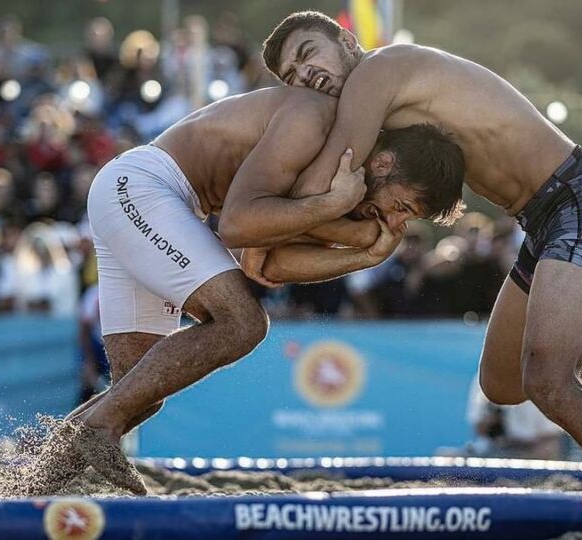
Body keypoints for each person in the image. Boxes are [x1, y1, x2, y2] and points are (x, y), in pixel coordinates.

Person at [262, 11, 582, 496]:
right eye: (291, 78)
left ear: (345, 39)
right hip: (546, 219)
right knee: (503, 382)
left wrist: (254, 215)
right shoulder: (377, 103)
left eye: (307, 55)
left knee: (549, 381)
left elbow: (325, 182)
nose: (304, 77)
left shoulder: (376, 71)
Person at [28, 85, 467, 495]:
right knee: (242, 324)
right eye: (403, 206)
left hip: (141, 195)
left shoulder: (350, 184)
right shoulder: (332, 150)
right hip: (145, 189)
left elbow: (269, 264)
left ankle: (26, 484)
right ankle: (97, 427)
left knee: (138, 395)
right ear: (384, 163)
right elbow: (239, 228)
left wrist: (367, 256)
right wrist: (334, 211)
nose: (394, 222)